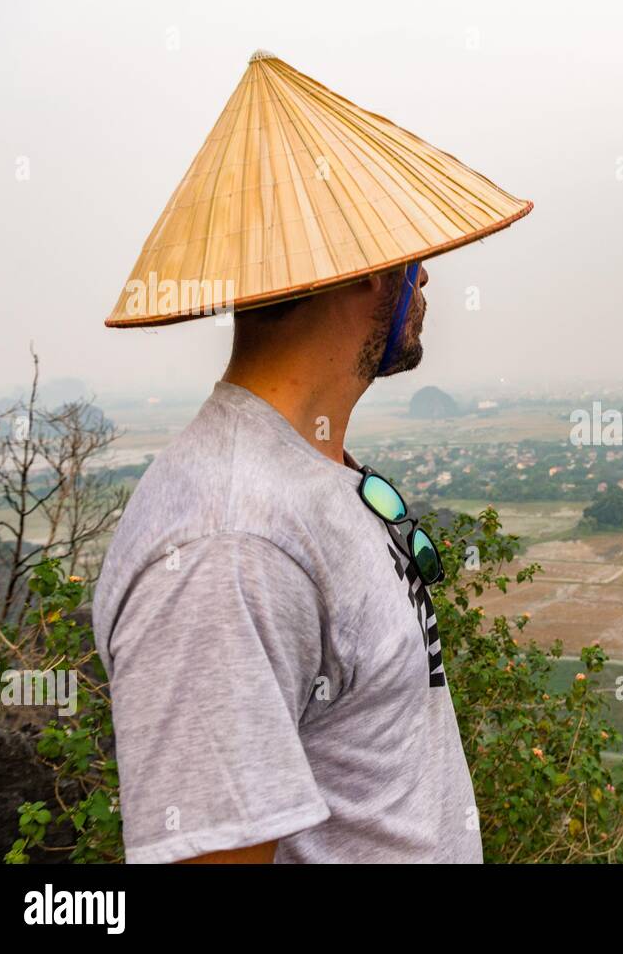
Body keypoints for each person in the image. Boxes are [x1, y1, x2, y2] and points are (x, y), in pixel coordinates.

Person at [92, 51, 531, 864]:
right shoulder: (228, 543)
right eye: (409, 248)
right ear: (364, 269)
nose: (426, 271)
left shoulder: (309, 471)